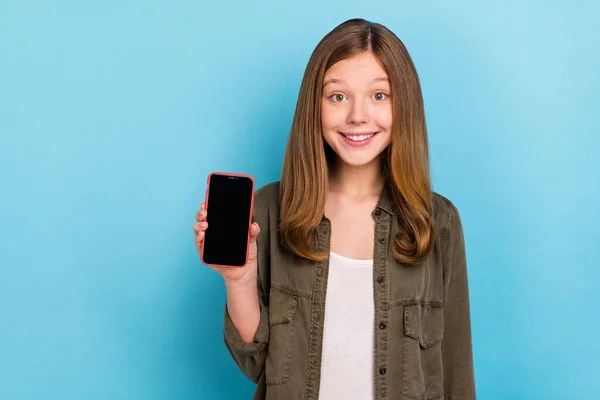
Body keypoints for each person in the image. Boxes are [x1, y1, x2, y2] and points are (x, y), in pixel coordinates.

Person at [193, 18, 475, 400]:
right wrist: (238, 280)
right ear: (316, 106)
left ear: (403, 104)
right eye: (338, 96)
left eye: (379, 95)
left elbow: (455, 372)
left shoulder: (438, 222)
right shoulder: (270, 210)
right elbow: (256, 365)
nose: (358, 116)